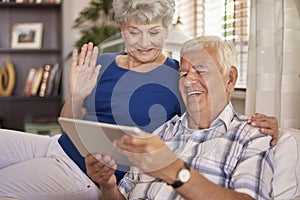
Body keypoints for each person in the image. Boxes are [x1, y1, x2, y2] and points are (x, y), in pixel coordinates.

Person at [0, 0, 277, 199]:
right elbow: (68, 124)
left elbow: (209, 114)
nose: (144, 42)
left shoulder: (178, 77)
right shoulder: (102, 63)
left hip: (84, 172)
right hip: (58, 146)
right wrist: (76, 94)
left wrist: (265, 123)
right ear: (121, 29)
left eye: (154, 32)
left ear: (167, 31)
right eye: (134, 32)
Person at [86, 36, 275, 200]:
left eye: (200, 70)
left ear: (230, 78)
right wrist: (108, 185)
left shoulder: (251, 136)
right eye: (183, 73)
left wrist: (173, 170)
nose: (188, 80)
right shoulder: (162, 132)